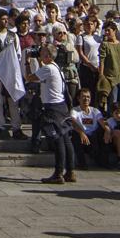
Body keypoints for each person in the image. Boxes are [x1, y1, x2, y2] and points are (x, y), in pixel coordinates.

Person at [33, 44, 74, 184]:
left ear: (48, 55)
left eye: (42, 52)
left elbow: (30, 77)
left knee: (58, 140)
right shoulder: (56, 67)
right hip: (61, 106)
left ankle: (58, 173)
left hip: (52, 108)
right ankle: (70, 171)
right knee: (66, 139)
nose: (39, 53)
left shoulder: (48, 68)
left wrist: (28, 63)